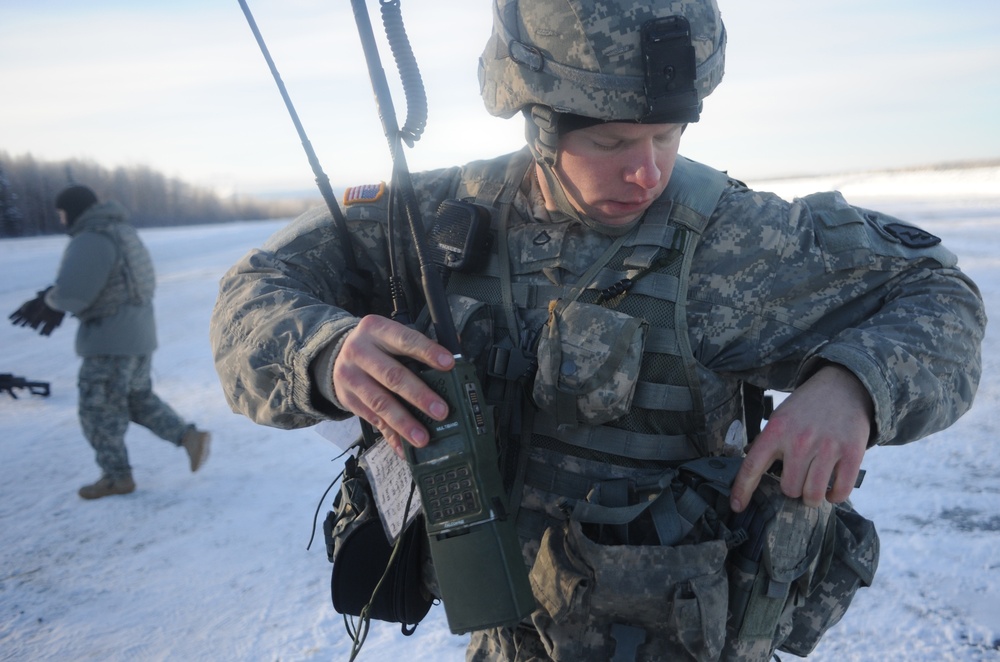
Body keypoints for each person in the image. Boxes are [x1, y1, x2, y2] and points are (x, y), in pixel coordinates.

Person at [210, 0, 985, 659]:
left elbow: (937, 292)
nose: (647, 171)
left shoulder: (735, 241)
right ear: (537, 122)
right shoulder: (434, 220)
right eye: (611, 142)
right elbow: (251, 293)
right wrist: (323, 353)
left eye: (667, 136)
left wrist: (851, 386)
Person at [9, 184, 211, 500]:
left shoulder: (91, 237)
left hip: (110, 341)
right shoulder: (122, 231)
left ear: (72, 211)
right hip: (140, 335)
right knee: (136, 398)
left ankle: (117, 478)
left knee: (97, 411)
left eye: (62, 213)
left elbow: (73, 295)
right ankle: (188, 437)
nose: (61, 221)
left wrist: (48, 300)